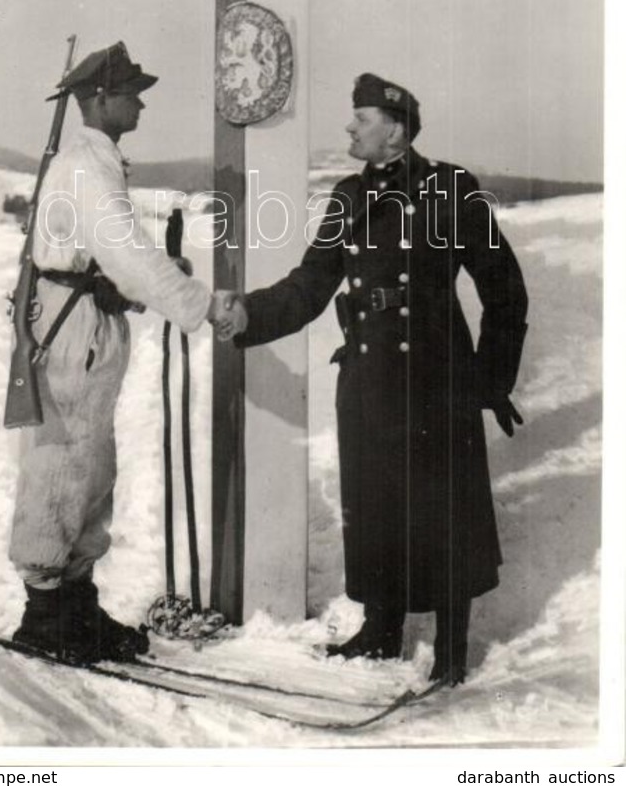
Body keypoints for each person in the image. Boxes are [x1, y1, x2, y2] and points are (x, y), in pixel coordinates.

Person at [217, 73, 528, 685]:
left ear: (395, 129)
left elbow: (504, 290)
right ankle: (382, 632)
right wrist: (249, 312)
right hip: (368, 376)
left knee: (443, 511)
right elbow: (311, 284)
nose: (349, 129)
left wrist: (490, 380)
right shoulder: (348, 197)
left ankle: (452, 650)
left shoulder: (449, 189)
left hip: (436, 381)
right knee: (378, 505)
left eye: (360, 119)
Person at [9, 41, 225, 664]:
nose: (141, 101)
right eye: (132, 91)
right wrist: (198, 302)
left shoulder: (95, 158)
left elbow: (109, 256)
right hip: (72, 329)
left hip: (86, 318)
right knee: (64, 460)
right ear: (100, 98)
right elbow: (126, 253)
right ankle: (44, 613)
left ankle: (75, 602)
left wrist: (139, 282)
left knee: (91, 462)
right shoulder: (86, 162)